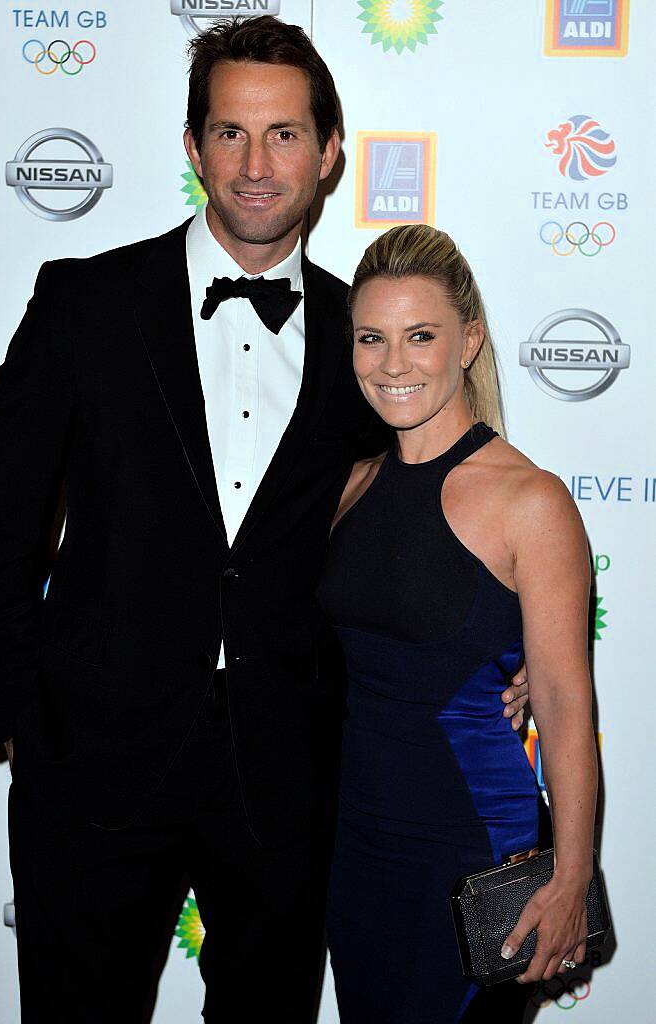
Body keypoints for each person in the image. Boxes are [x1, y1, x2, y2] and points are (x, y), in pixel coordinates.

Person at [0, 17, 529, 1023]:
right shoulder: (87, 302)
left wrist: (513, 642)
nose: (256, 165)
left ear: (329, 152)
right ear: (192, 147)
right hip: (95, 766)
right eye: (229, 133)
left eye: (284, 135)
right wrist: (24, 721)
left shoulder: (371, 337)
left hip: (289, 772)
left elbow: (436, 506)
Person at [317, 224, 598, 1023]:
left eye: (421, 336)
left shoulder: (529, 501)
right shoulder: (349, 486)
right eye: (372, 338)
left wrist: (571, 874)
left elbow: (568, 710)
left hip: (475, 852)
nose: (394, 363)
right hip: (353, 852)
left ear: (468, 339)